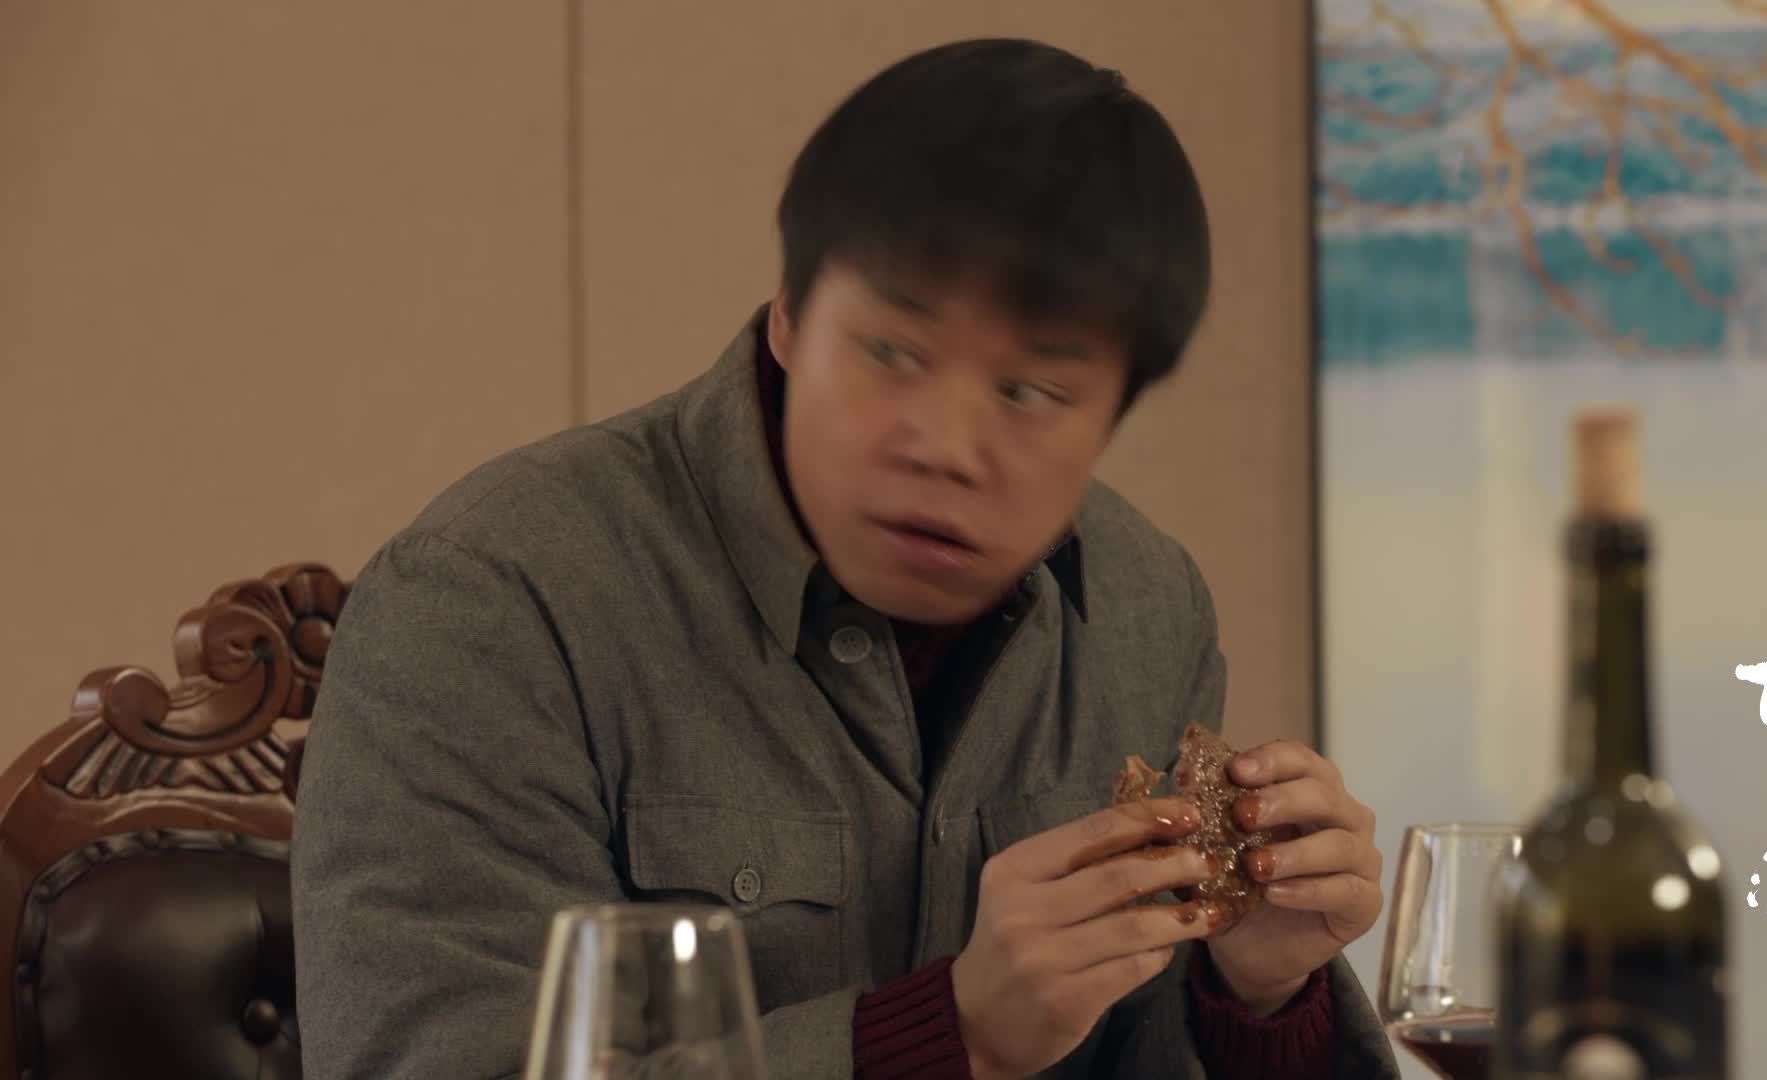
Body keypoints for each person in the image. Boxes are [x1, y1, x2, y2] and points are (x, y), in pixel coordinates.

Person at [291, 36, 1399, 1079]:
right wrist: (947, 1037)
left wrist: (1257, 992)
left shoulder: (1149, 604)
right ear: (789, 312)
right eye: (893, 352)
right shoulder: (492, 596)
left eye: (1030, 391)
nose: (946, 448)